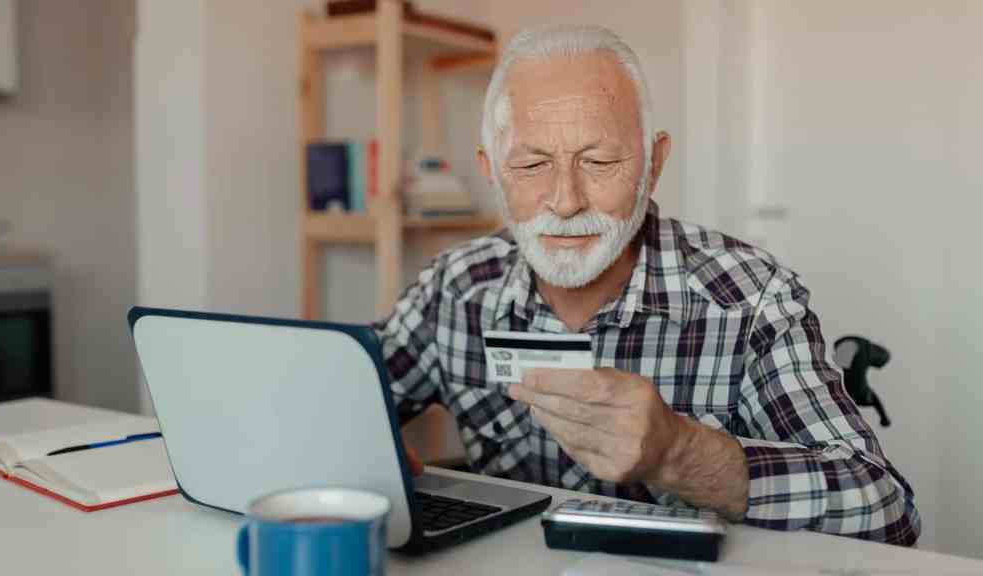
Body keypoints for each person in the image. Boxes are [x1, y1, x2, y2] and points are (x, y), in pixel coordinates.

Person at [374, 25, 920, 546]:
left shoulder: (751, 297)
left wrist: (680, 453)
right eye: (533, 164)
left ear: (654, 163)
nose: (565, 201)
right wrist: (355, 443)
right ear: (491, 171)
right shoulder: (457, 286)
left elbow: (887, 509)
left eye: (601, 160)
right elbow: (336, 392)